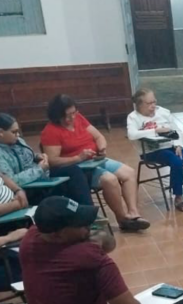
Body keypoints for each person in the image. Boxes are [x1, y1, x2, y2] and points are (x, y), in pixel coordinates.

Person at [19, 196, 144, 304]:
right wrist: (94, 245)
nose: (87, 225)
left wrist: (91, 239)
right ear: (58, 234)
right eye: (79, 224)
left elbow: (107, 242)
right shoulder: (88, 256)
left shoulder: (30, 239)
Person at [40, 95, 150, 232]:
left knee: (129, 173)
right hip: (78, 168)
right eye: (68, 115)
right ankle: (122, 219)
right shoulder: (51, 131)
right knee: (110, 180)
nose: (72, 117)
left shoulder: (79, 118)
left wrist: (101, 148)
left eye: (74, 113)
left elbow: (99, 136)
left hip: (94, 160)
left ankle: (133, 213)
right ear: (58, 115)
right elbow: (52, 160)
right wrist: (78, 158)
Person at [127, 88, 183, 212]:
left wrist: (178, 145)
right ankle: (178, 197)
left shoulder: (163, 112)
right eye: (149, 103)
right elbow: (132, 135)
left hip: (172, 145)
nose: (153, 106)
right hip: (152, 151)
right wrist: (155, 131)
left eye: (154, 102)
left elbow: (177, 131)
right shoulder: (133, 117)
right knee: (177, 162)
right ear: (139, 105)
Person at [0, 113, 51, 187]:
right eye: (14, 132)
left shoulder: (18, 141)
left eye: (18, 132)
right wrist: (40, 169)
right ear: (1, 132)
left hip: (37, 180)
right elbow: (11, 181)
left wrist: (36, 157)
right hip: (22, 189)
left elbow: (23, 157)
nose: (17, 135)